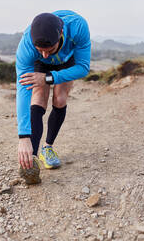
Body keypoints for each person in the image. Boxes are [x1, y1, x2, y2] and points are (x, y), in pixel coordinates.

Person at [16, 10, 91, 171]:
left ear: (61, 34)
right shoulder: (27, 45)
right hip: (39, 64)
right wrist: (23, 136)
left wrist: (48, 77)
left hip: (66, 60)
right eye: (40, 49)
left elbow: (83, 68)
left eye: (49, 49)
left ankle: (47, 147)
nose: (45, 54)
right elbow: (23, 88)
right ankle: (33, 158)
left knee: (60, 98)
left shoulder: (78, 26)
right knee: (38, 97)